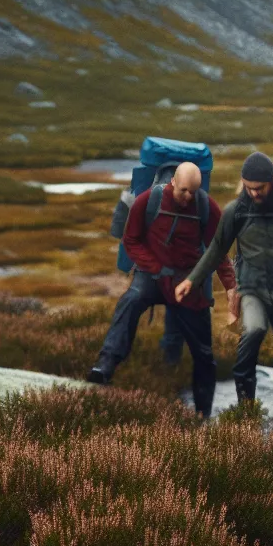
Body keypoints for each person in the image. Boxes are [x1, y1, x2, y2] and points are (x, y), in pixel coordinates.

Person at [177, 152, 273, 421]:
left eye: (259, 188)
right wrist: (191, 280)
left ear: (272, 181)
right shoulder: (235, 211)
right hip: (252, 289)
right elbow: (216, 250)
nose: (253, 193)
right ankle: (247, 412)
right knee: (253, 330)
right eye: (249, 188)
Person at [86, 161, 231, 416]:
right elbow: (131, 240)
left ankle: (203, 414)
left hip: (186, 282)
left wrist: (231, 287)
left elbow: (218, 250)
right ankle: (106, 365)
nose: (188, 197)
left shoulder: (206, 207)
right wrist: (156, 268)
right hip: (151, 275)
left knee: (204, 353)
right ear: (173, 182)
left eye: (193, 192)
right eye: (183, 190)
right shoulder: (147, 201)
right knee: (131, 300)